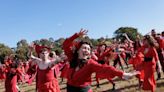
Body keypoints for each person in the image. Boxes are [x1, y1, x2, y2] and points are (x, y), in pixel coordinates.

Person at [63, 29, 139, 92]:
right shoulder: (72, 58)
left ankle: (112, 83)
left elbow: (106, 68)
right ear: (78, 50)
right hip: (69, 89)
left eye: (88, 49)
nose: (86, 50)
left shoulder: (90, 63)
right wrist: (76, 36)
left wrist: (123, 74)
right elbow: (66, 44)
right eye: (84, 48)